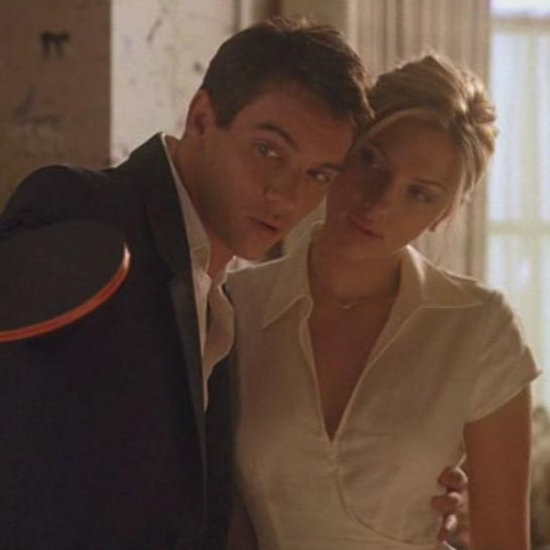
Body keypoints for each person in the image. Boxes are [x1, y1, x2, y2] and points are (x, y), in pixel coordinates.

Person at [0, 18, 463, 550]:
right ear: (201, 118)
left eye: (318, 174)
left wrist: (403, 489)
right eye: (269, 151)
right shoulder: (86, 211)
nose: (285, 196)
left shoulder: (231, 304)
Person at [227, 54, 540, 550]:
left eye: (419, 193)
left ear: (444, 214)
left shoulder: (479, 328)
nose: (379, 201)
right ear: (342, 149)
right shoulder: (235, 307)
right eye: (372, 161)